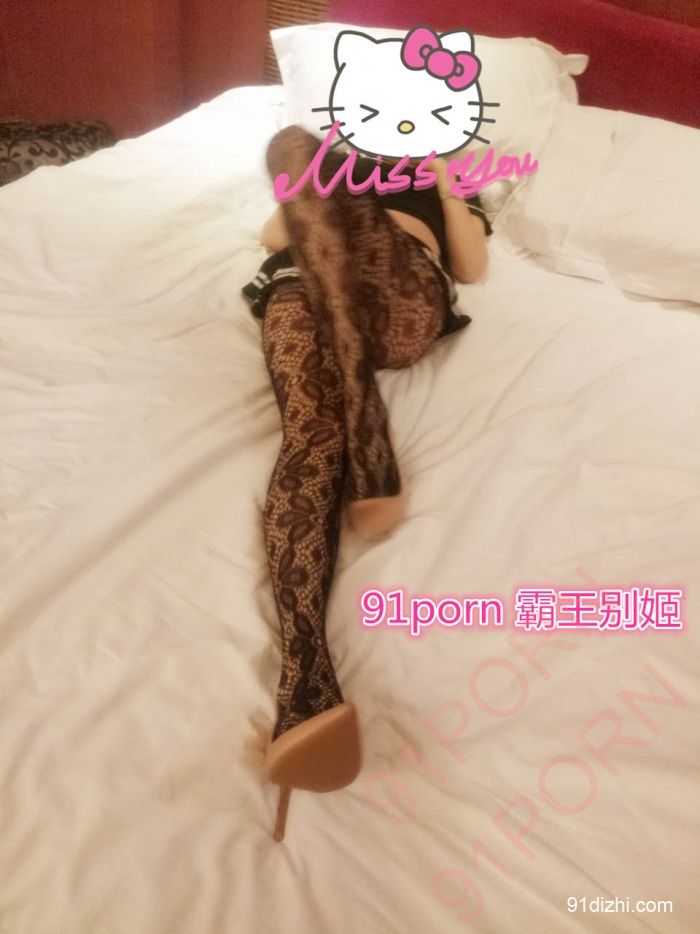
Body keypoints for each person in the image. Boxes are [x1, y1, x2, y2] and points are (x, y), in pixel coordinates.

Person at [241, 124, 492, 840]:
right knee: (313, 436)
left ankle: (359, 389)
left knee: (298, 153)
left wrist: (443, 180)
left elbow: (470, 267)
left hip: (397, 293)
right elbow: (273, 237)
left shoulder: (450, 180)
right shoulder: (339, 166)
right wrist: (337, 182)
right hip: (304, 286)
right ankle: (306, 686)